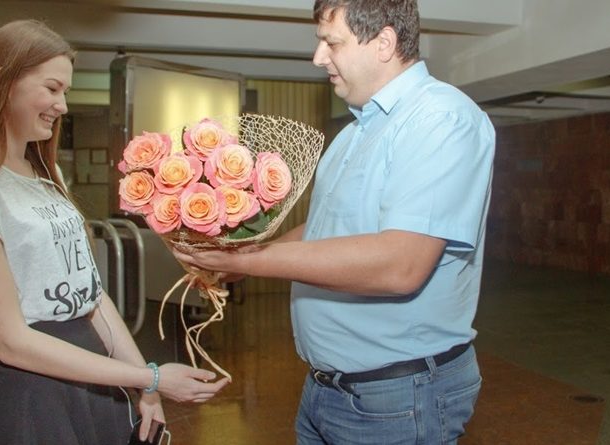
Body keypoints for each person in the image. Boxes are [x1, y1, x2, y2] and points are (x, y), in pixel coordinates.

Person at [173, 0, 496, 443]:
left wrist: (251, 262)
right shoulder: (354, 134)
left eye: (332, 43)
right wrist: (242, 254)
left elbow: (401, 265)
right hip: (329, 389)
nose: (318, 58)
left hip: (398, 397)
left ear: (383, 43)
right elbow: (323, 229)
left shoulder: (440, 119)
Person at [0, 19, 228, 445]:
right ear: (4, 81)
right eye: (52, 88)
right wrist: (151, 377)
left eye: (64, 91)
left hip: (89, 369)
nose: (62, 106)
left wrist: (145, 384)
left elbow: (91, 296)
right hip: (32, 387)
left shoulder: (48, 175)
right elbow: (10, 341)